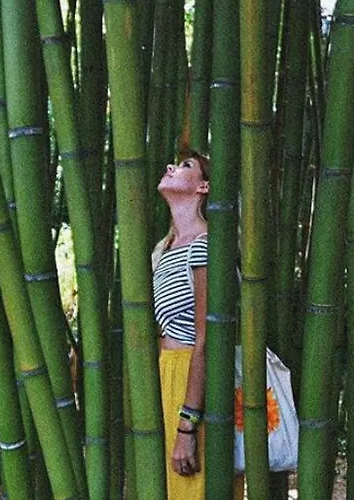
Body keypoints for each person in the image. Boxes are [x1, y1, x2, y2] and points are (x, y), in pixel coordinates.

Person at [152, 150, 210, 499]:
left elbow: (207, 340)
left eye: (186, 165)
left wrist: (188, 426)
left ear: (203, 187)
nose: (171, 167)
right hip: (165, 376)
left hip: (193, 382)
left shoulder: (204, 247)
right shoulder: (164, 249)